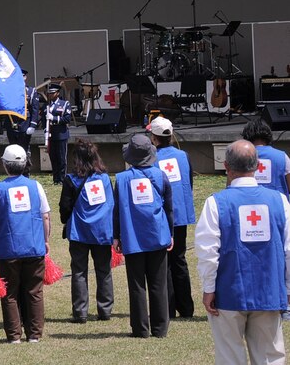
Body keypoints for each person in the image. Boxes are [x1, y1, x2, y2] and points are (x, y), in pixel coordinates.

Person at [195, 139, 290, 365]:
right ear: (257, 167)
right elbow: (289, 250)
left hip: (228, 293)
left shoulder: (215, 203)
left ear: (226, 166)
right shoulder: (280, 201)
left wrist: (208, 288)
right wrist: (287, 287)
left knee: (229, 357)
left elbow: (207, 251)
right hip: (269, 291)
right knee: (270, 357)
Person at [113, 133, 173, 339]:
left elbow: (117, 211)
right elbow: (169, 209)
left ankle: (140, 329)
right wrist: (170, 233)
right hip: (158, 235)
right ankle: (160, 328)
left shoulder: (121, 180)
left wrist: (116, 236)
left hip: (132, 236)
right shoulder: (161, 175)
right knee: (159, 284)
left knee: (137, 285)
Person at [0, 144, 50, 343]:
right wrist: (45, 240)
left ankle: (14, 336)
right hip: (34, 246)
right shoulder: (36, 186)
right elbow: (45, 216)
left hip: (8, 249)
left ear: (4, 165)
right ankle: (34, 335)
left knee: (10, 293)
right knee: (34, 292)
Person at [59, 139, 114, 323]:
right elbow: (111, 204)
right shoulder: (105, 178)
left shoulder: (71, 179)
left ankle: (80, 312)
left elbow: (65, 207)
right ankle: (105, 310)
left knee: (79, 272)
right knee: (104, 270)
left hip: (79, 232)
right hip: (101, 231)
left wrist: (65, 220)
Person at [146, 117, 195, 319]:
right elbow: (189, 182)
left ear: (154, 137)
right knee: (180, 259)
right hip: (181, 215)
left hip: (161, 216)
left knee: (163, 262)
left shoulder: (151, 160)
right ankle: (186, 307)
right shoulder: (183, 156)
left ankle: (168, 307)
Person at [242, 117, 290, 197]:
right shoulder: (282, 156)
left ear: (246, 136)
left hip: (249, 205)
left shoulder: (240, 156)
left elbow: (231, 186)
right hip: (277, 205)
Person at [4, 69, 40, 174]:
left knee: (24, 149)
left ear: (25, 77)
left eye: (22, 76)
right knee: (13, 148)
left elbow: (35, 109)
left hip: (25, 123)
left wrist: (33, 124)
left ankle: (25, 172)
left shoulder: (30, 91)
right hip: (12, 122)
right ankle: (14, 171)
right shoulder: (9, 91)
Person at [45, 83, 72, 185]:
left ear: (57, 93)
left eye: (52, 93)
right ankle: (56, 179)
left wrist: (54, 118)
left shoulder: (64, 104)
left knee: (61, 158)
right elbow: (44, 120)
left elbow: (67, 119)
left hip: (61, 134)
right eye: (49, 93)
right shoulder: (47, 106)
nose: (50, 95)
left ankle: (62, 179)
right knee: (53, 158)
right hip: (51, 135)